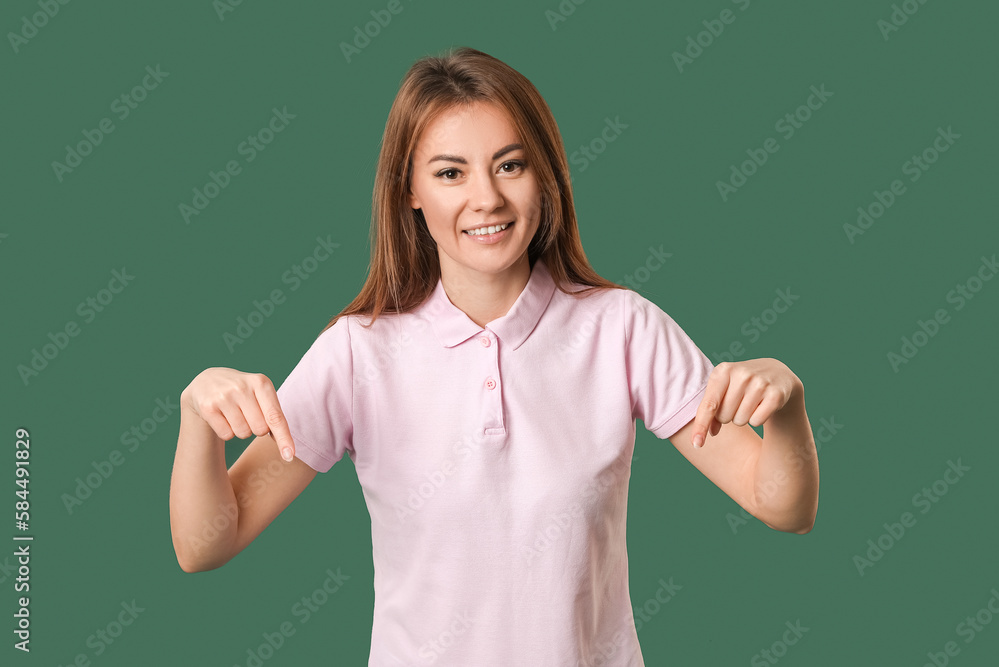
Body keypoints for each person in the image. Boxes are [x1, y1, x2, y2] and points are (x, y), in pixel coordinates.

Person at [168, 46, 819, 665]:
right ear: (410, 192)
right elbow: (205, 544)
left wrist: (786, 399)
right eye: (450, 172)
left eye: (510, 164)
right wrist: (197, 416)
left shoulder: (622, 329)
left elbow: (784, 505)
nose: (487, 197)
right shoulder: (358, 352)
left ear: (546, 175)